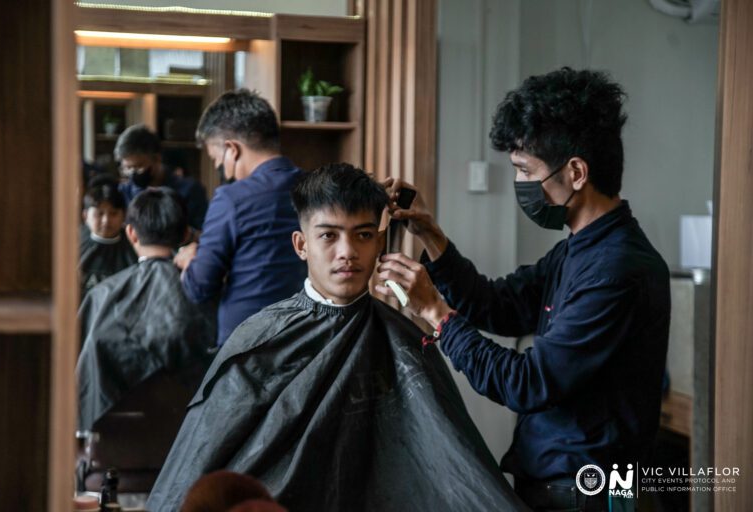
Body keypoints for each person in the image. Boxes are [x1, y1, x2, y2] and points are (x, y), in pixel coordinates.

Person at [147, 164, 528, 512]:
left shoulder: (404, 341)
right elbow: (193, 467)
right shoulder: (259, 340)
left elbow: (455, 469)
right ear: (301, 245)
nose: (347, 252)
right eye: (329, 235)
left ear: (379, 244)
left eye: (363, 235)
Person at [376, 67, 671, 511]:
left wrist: (435, 314)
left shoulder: (618, 269)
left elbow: (529, 383)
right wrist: (431, 236)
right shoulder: (579, 250)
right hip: (556, 485)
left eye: (525, 170)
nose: (521, 185)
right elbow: (498, 305)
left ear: (575, 171)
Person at [174, 89, 307, 345]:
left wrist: (189, 261)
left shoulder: (231, 198)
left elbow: (199, 287)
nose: (222, 170)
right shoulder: (317, 187)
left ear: (232, 149)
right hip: (307, 335)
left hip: (246, 343)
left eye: (217, 160)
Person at [77, 187, 216, 431]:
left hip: (113, 431)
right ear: (185, 233)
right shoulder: (208, 292)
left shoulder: (102, 295)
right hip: (189, 430)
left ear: (131, 233)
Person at [115, 124, 208, 232]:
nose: (132, 174)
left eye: (138, 167)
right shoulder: (124, 192)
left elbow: (204, 233)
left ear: (157, 159)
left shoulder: (190, 190)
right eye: (127, 168)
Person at [79, 181, 136, 300]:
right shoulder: (72, 245)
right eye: (99, 214)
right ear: (85, 216)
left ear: (124, 216)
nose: (106, 220)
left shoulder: (135, 247)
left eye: (113, 214)